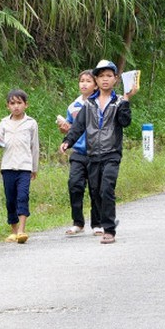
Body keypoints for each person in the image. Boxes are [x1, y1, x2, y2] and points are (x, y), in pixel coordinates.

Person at [59, 60, 139, 244]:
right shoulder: (89, 104)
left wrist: (127, 100)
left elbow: (125, 122)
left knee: (106, 189)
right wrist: (67, 141)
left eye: (109, 76)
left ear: (115, 79)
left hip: (111, 153)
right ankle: (104, 221)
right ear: (96, 78)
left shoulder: (118, 101)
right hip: (93, 154)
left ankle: (109, 230)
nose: (105, 79)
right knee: (96, 191)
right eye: (101, 76)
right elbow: (78, 126)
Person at [0, 89, 39, 244]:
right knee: (10, 199)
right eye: (12, 103)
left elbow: (35, 146)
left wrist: (34, 168)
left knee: (22, 196)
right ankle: (14, 230)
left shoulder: (31, 123)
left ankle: (22, 231)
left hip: (24, 166)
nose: (16, 106)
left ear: (26, 105)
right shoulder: (4, 123)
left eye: (19, 103)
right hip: (8, 166)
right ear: (7, 106)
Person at [57, 70, 102, 236]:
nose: (84, 84)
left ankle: (97, 223)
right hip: (78, 152)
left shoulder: (100, 103)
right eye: (81, 81)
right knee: (74, 185)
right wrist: (64, 131)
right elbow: (70, 127)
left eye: (88, 81)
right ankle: (78, 222)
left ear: (95, 85)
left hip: (97, 152)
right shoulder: (73, 106)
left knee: (96, 188)